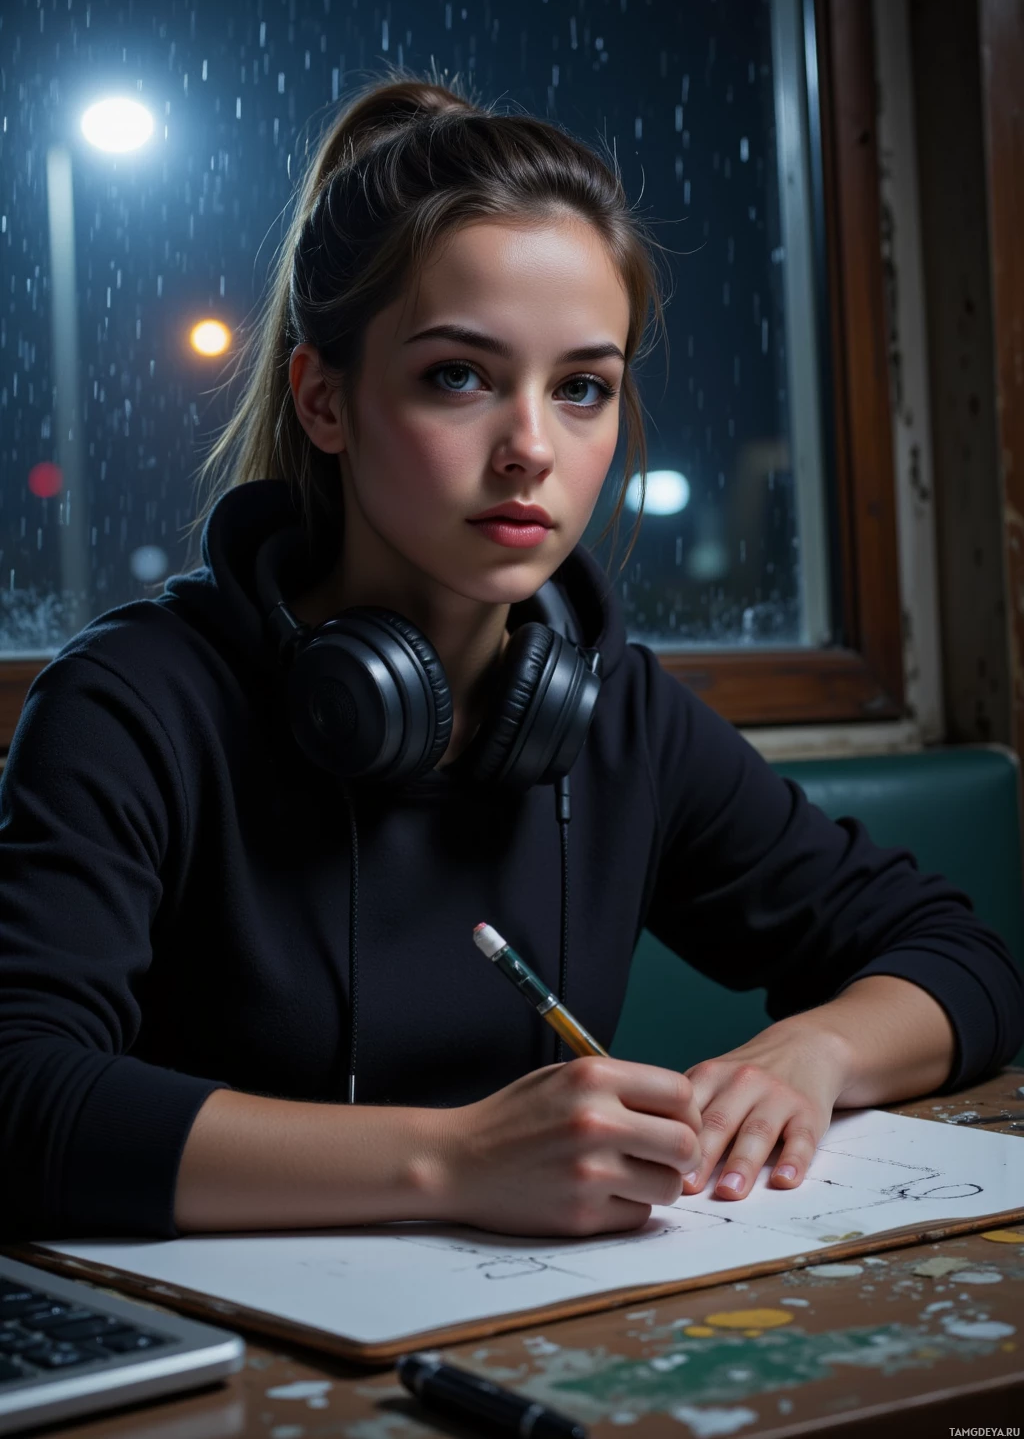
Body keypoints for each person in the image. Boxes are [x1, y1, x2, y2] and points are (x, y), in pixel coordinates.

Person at [1, 72, 1022, 1246]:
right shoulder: (134, 703)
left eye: (582, 388)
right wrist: (450, 1161)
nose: (531, 448)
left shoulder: (613, 713)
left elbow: (963, 957)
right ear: (324, 400)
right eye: (459, 376)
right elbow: (19, 1094)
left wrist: (814, 1049)